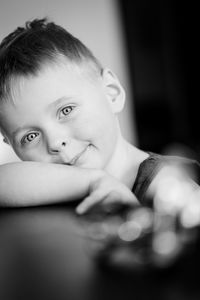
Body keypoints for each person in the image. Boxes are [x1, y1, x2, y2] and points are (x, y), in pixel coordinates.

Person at [0, 18, 199, 216]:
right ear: (11, 145)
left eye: (66, 110)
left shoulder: (166, 186)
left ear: (111, 93)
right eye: (30, 136)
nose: (55, 142)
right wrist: (94, 181)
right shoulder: (51, 188)